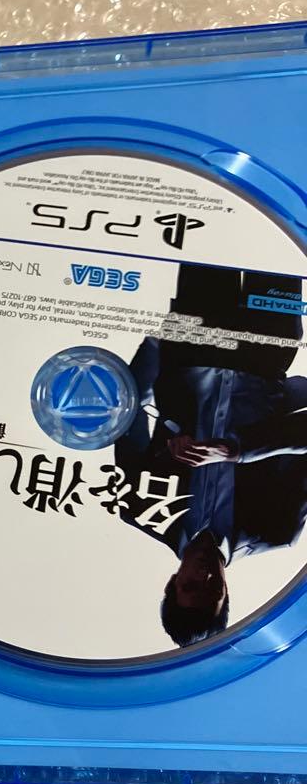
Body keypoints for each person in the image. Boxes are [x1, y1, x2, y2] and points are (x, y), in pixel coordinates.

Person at [115, 265, 307, 648]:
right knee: (283, 251)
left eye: (190, 586)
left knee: (218, 237)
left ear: (172, 583)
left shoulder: (139, 506)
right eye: (212, 590)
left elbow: (127, 411)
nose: (204, 575)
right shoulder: (278, 530)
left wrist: (157, 343)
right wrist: (241, 450)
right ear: (227, 593)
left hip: (191, 341)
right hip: (266, 353)